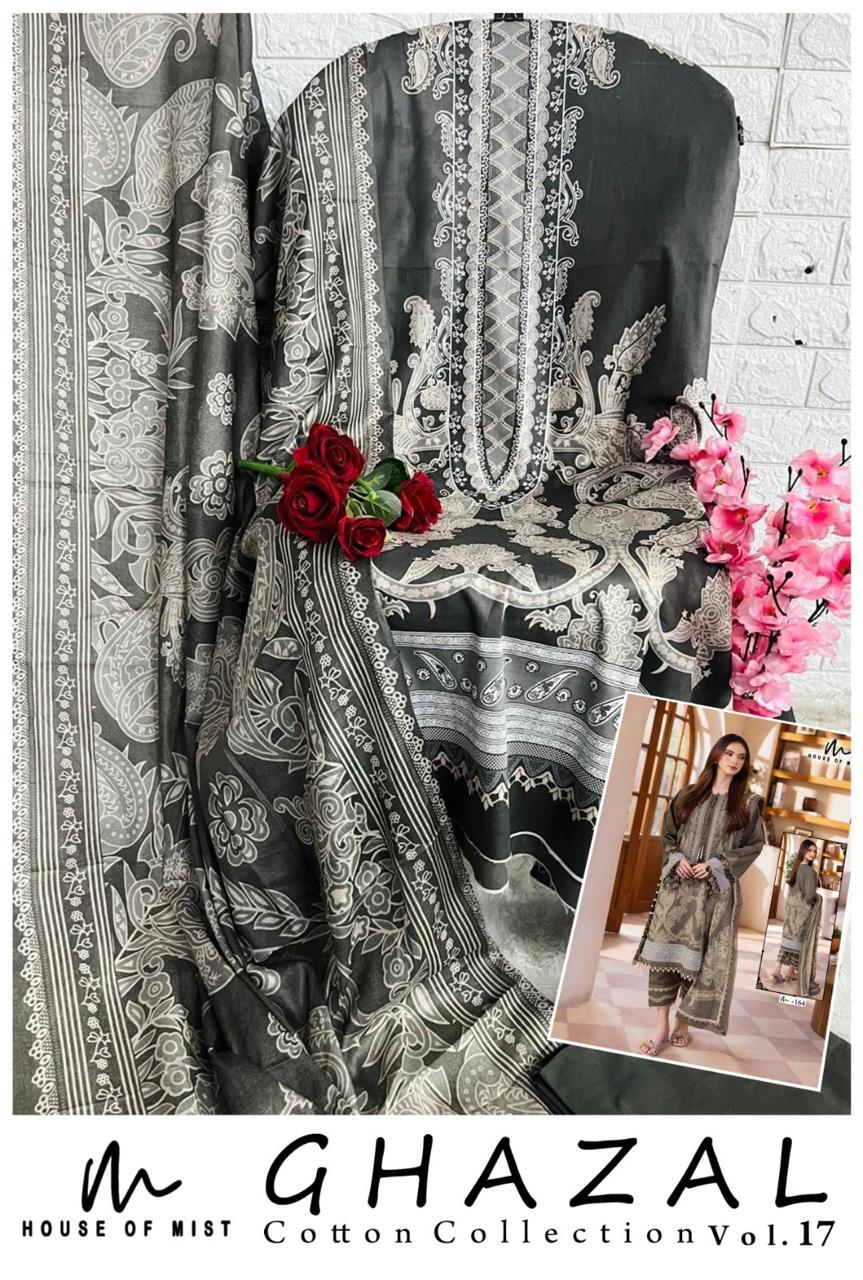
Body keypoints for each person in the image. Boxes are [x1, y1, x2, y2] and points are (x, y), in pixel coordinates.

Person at [633, 734, 765, 1055]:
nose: (734, 761)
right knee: (664, 958)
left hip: (714, 895)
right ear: (717, 755)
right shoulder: (688, 795)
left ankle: (683, 1023)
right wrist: (676, 858)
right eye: (729, 753)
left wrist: (719, 864)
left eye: (741, 757)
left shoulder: (748, 803)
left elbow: (754, 845)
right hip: (677, 891)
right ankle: (661, 1026)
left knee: (699, 959)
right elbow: (668, 835)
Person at [771, 840, 822, 996]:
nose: (813, 853)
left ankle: (781, 970)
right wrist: (818, 898)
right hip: (802, 912)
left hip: (790, 911)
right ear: (803, 851)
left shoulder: (796, 867)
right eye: (810, 850)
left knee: (788, 941)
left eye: (815, 851)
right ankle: (787, 971)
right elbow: (810, 896)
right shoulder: (810, 872)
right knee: (800, 944)